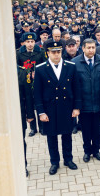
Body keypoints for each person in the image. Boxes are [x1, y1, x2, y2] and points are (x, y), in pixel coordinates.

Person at [34, 41, 81, 175]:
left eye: (58, 52)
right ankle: (54, 162)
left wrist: (77, 107)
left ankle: (68, 159)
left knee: (67, 135)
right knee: (51, 137)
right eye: (53, 52)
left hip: (67, 107)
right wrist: (41, 112)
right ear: (47, 53)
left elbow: (76, 88)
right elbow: (37, 93)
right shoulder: (40, 68)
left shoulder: (71, 66)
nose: (56, 55)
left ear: (62, 52)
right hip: (49, 109)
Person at [72, 39, 100, 162]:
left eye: (93, 47)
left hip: (98, 103)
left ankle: (96, 151)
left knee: (96, 130)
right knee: (86, 131)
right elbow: (73, 85)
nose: (91, 50)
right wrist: (76, 105)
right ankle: (87, 151)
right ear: (83, 48)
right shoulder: (75, 62)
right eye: (88, 48)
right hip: (84, 104)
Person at [16, 32, 46, 136]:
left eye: (32, 41)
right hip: (25, 83)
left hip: (38, 82)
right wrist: (24, 75)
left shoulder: (41, 51)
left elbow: (45, 65)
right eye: (27, 42)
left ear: (35, 42)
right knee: (29, 103)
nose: (30, 44)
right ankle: (33, 128)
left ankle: (42, 127)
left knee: (39, 103)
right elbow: (17, 67)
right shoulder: (19, 53)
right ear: (23, 43)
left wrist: (37, 74)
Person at [17, 66, 35, 177]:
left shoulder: (22, 72)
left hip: (20, 114)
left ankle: (22, 166)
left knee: (20, 141)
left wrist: (30, 114)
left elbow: (28, 95)